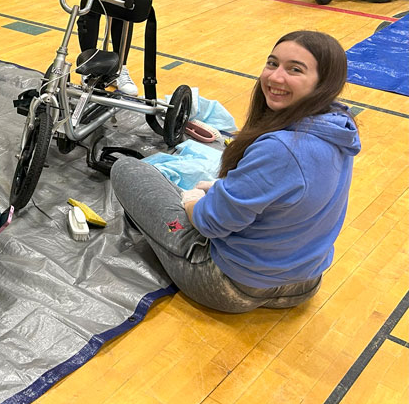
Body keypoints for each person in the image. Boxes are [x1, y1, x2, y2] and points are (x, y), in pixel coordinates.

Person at [110, 31, 360, 313]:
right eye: (272, 63)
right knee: (211, 187)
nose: (275, 77)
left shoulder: (281, 149)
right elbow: (281, 195)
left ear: (323, 84)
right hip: (304, 284)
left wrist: (192, 202)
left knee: (127, 169)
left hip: (231, 286)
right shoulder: (337, 126)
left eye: (294, 70)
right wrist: (221, 191)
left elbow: (210, 222)